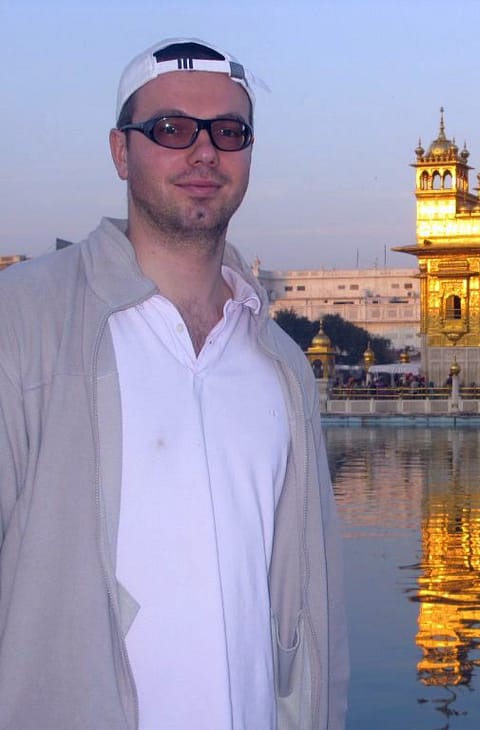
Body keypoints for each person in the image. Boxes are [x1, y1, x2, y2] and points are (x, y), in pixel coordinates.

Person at [0, 38, 348, 729]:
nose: (204, 152)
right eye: (171, 129)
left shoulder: (279, 364)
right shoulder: (25, 322)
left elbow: (312, 605)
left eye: (228, 132)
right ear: (120, 151)